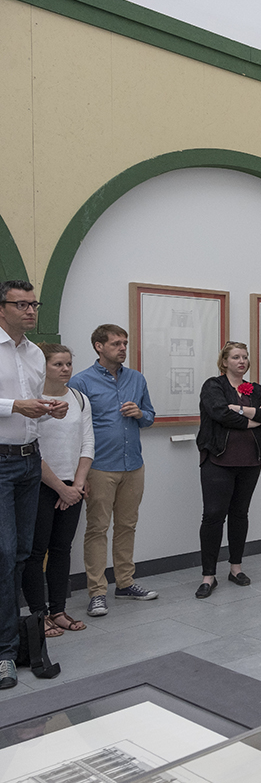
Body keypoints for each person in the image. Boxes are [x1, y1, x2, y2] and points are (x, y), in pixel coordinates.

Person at [0, 281, 66, 689]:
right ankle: (5, 652)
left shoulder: (35, 353)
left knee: (23, 554)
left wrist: (47, 410)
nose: (30, 311)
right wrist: (14, 406)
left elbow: (31, 411)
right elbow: (16, 407)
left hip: (28, 461)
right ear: (1, 308)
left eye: (33, 304)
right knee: (5, 554)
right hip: (1, 463)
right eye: (21, 304)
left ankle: (20, 641)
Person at [70, 324, 157, 618]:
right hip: (99, 467)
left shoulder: (137, 378)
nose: (122, 348)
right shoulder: (81, 382)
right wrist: (80, 473)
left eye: (125, 343)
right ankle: (97, 592)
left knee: (127, 526)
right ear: (99, 346)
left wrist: (140, 413)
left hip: (133, 465)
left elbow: (150, 417)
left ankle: (125, 583)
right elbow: (75, 429)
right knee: (97, 529)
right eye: (116, 343)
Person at [194, 342, 261, 598]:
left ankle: (236, 568)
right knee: (213, 516)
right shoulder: (213, 386)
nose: (242, 361)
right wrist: (254, 419)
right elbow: (220, 414)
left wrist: (241, 409)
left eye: (245, 357)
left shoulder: (255, 389)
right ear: (224, 361)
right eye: (236, 357)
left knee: (240, 514)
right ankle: (208, 576)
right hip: (218, 460)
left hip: (250, 461)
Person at [22, 344, 93, 638]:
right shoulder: (32, 401)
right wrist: (60, 488)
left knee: (62, 549)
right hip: (40, 485)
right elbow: (30, 448)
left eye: (68, 364)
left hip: (73, 486)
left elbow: (87, 443)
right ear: (43, 366)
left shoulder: (79, 398)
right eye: (58, 364)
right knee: (36, 552)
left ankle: (58, 611)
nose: (65, 369)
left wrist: (76, 484)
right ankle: (38, 615)